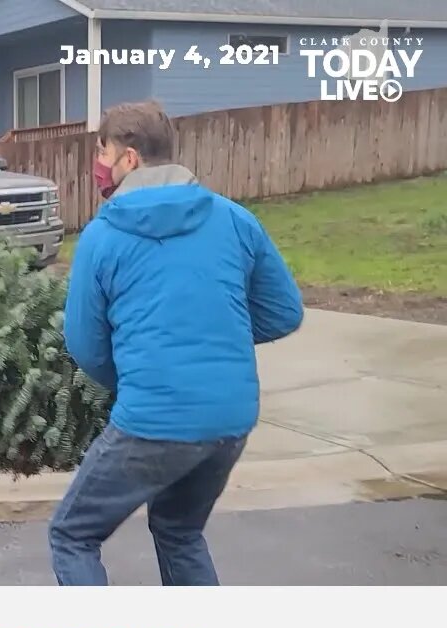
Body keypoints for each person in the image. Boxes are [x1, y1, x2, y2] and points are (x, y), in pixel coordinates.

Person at [50, 101, 304, 586]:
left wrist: (138, 377)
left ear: (128, 158)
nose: (97, 166)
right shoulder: (234, 219)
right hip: (229, 419)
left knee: (73, 535)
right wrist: (215, 336)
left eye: (101, 152)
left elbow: (85, 345)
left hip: (152, 419)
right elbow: (284, 312)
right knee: (180, 531)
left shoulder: (102, 236)